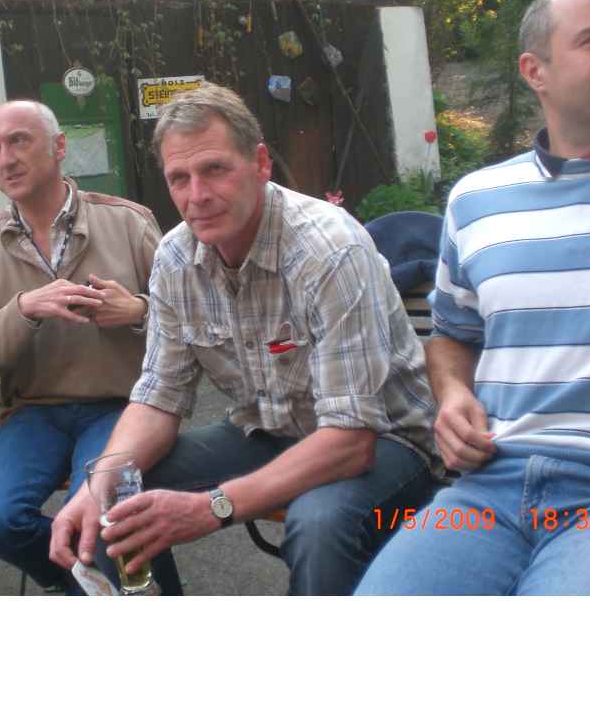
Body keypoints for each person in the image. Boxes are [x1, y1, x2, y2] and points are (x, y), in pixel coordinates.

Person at [50, 82, 441, 595]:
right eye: (179, 178)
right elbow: (158, 396)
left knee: (318, 525)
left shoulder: (329, 249)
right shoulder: (176, 258)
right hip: (270, 432)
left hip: (387, 443)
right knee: (111, 503)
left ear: (260, 163)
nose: (197, 195)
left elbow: (350, 441)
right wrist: (100, 482)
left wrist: (212, 507)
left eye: (215, 169)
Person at [357, 0, 590, 596]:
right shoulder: (476, 199)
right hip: (488, 489)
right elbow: (452, 337)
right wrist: (451, 397)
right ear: (535, 71)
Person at [0, 100, 173, 593]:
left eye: (19, 141)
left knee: (101, 512)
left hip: (121, 406)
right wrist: (23, 309)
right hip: (35, 412)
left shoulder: (128, 222)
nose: (5, 158)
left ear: (59, 147)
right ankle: (85, 586)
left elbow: (190, 320)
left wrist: (137, 310)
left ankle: (108, 582)